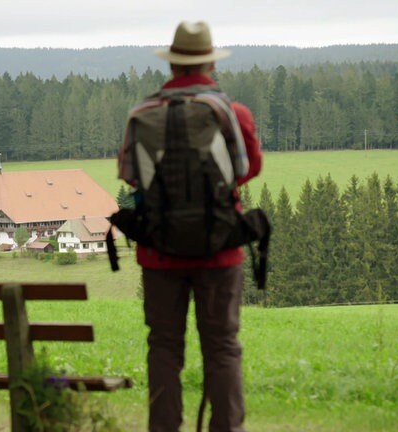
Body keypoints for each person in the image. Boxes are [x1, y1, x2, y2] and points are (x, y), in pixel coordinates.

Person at [117, 21, 263, 432]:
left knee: (163, 348)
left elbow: (129, 175)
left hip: (159, 252)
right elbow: (247, 169)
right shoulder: (232, 113)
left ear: (173, 64)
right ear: (210, 61)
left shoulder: (142, 114)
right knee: (222, 349)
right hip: (220, 250)